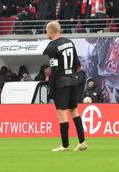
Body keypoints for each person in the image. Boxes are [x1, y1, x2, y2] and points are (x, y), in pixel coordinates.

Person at [43, 21, 87, 152]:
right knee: (74, 111)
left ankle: (65, 145)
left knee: (62, 114)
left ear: (51, 31)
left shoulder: (52, 47)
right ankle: (82, 142)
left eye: (46, 31)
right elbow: (77, 64)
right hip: (73, 80)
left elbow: (55, 69)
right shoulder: (70, 42)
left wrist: (52, 87)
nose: (46, 33)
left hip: (61, 83)